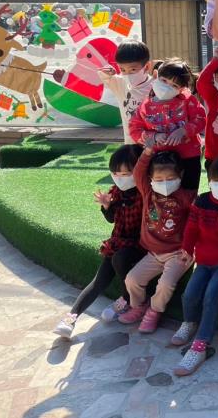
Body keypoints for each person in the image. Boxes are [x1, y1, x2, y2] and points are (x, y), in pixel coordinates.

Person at [53, 144, 146, 339]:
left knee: (120, 258)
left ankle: (127, 298)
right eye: (115, 173)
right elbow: (112, 219)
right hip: (118, 241)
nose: (120, 178)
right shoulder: (116, 191)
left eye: (126, 173)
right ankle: (71, 318)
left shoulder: (144, 193)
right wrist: (106, 206)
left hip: (139, 244)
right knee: (99, 280)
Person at [171, 156, 218, 376]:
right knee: (189, 294)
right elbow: (192, 228)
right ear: (210, 180)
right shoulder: (202, 201)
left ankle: (202, 343)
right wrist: (186, 249)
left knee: (212, 296)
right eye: (217, 180)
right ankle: (189, 322)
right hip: (203, 261)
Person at [119, 147, 196, 334]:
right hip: (153, 254)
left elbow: (196, 221)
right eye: (159, 179)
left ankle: (154, 311)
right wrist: (147, 152)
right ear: (151, 179)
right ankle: (138, 306)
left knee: (165, 284)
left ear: (180, 175)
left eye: (170, 179)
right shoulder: (148, 192)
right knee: (132, 279)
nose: (165, 183)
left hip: (178, 253)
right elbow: (138, 173)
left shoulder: (186, 197)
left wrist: (189, 248)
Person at [128, 58, 206, 191]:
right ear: (156, 75)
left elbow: (201, 118)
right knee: (160, 194)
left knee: (189, 191)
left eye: (174, 85)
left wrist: (183, 131)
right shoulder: (145, 105)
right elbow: (134, 128)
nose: (167, 87)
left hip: (188, 156)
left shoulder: (188, 101)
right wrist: (153, 136)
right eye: (164, 80)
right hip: (158, 159)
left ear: (182, 89)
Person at [98, 40, 154, 145]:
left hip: (154, 143)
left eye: (133, 69)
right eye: (122, 70)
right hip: (131, 143)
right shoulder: (120, 84)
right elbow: (104, 75)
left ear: (146, 67)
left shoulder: (156, 86)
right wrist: (109, 71)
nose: (127, 74)